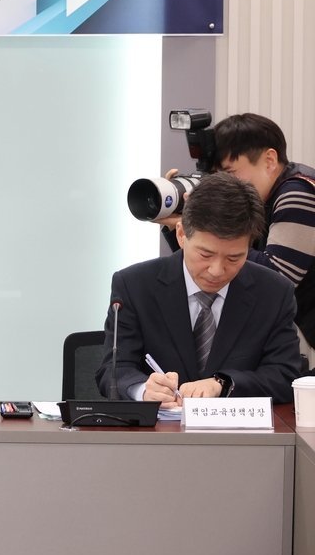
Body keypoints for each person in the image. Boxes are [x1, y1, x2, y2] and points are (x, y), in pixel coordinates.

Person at [100, 172, 301, 405]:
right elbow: (114, 369)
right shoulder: (134, 285)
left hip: (239, 438)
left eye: (234, 258)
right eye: (205, 254)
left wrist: (223, 384)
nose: (217, 270)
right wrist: (143, 390)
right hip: (157, 435)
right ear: (181, 234)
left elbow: (285, 376)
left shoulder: (274, 293)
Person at [158, 113, 315, 373]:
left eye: (230, 173)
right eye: (216, 176)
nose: (224, 185)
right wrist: (188, 226)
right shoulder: (270, 194)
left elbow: (275, 278)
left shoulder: (300, 192)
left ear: (270, 160)